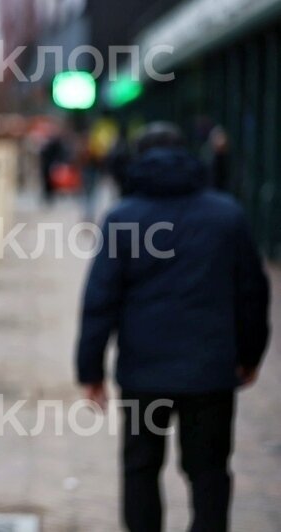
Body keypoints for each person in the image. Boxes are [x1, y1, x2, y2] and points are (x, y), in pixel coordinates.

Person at [75, 122, 271, 532]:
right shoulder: (227, 215)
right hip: (211, 374)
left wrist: (90, 370)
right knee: (209, 471)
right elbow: (253, 293)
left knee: (141, 469)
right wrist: (251, 356)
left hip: (144, 373)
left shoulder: (123, 218)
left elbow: (100, 300)